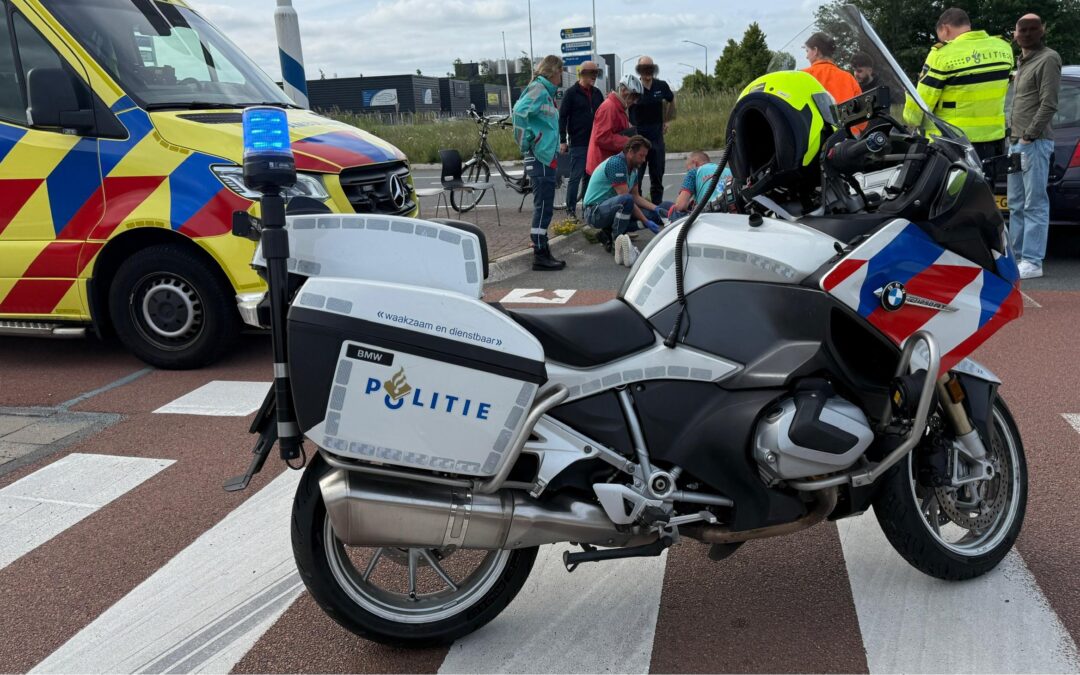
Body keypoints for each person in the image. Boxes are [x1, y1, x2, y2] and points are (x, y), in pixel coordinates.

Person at [902, 8, 1013, 162]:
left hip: (951, 144)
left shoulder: (942, 55)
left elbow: (920, 105)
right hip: (993, 142)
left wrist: (909, 114)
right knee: (986, 185)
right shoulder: (1003, 48)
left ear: (945, 28)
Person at [1008, 13, 1062, 280]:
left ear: (1043, 30)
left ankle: (1032, 261)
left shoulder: (1048, 59)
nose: (1027, 34)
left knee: (1035, 203)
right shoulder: (1022, 62)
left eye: (1033, 29)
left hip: (1035, 143)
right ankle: (1016, 257)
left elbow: (1048, 103)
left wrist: (1028, 135)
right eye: (1022, 29)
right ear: (1015, 34)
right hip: (1017, 143)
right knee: (1016, 203)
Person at [513, 54, 566, 271]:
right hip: (540, 156)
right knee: (543, 206)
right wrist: (527, 141)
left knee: (544, 206)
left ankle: (542, 250)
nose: (562, 76)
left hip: (546, 156)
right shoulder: (539, 90)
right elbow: (518, 112)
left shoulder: (546, 92)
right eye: (560, 71)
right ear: (553, 71)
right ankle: (540, 254)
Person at [582, 135, 659, 267]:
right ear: (630, 152)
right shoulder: (616, 164)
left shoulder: (633, 169)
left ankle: (607, 233)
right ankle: (616, 242)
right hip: (594, 211)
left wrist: (657, 209)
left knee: (652, 214)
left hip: (609, 209)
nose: (644, 159)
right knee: (627, 202)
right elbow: (626, 198)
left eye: (645, 156)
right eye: (641, 155)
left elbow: (636, 197)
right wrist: (646, 222)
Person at [558, 61, 604, 221]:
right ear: (582, 73)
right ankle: (570, 210)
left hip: (595, 142)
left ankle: (587, 207)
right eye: (591, 73)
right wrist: (563, 140)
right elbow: (562, 116)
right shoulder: (571, 93)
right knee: (576, 176)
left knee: (590, 177)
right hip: (578, 142)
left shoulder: (598, 93)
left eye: (596, 73)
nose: (594, 76)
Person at [629, 56, 676, 205]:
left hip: (656, 139)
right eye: (644, 68)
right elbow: (624, 106)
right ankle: (640, 210)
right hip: (638, 139)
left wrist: (667, 120)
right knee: (637, 178)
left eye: (650, 67)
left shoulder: (661, 86)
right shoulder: (633, 87)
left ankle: (657, 209)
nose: (647, 71)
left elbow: (671, 99)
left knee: (657, 177)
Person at [586, 73, 643, 176]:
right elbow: (602, 137)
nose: (634, 101)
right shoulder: (609, 107)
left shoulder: (619, 107)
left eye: (637, 97)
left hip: (608, 164)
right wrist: (629, 141)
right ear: (624, 90)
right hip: (602, 166)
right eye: (634, 96)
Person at [656, 151, 732, 220]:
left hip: (708, 216)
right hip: (730, 213)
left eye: (688, 169)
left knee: (666, 207)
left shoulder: (694, 172)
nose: (687, 172)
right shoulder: (728, 170)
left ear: (694, 163)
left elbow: (681, 205)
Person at [802, 32, 861, 103]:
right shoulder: (849, 78)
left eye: (807, 51)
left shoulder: (804, 76)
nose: (806, 56)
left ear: (815, 50)